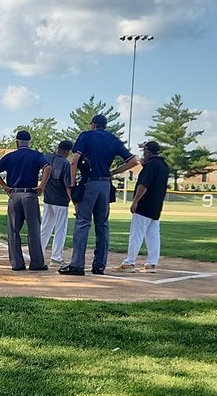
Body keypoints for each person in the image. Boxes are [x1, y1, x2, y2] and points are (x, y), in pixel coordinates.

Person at [58, 114, 139, 276]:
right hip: (105, 185)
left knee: (83, 222)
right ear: (105, 125)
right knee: (102, 225)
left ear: (93, 124)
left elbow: (74, 161)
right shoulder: (113, 139)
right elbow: (133, 161)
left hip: (90, 183)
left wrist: (72, 183)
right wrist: (113, 172)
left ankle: (77, 264)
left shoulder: (86, 136)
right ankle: (99, 265)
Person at [0, 130, 52, 271]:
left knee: (13, 230)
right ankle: (36, 263)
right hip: (30, 194)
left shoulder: (10, 156)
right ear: (29, 142)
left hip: (14, 194)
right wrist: (42, 185)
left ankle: (17, 263)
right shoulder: (36, 155)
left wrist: (5, 186)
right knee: (34, 230)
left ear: (17, 142)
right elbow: (47, 167)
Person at [112, 141, 169, 273]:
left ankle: (129, 262)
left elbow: (143, 185)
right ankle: (151, 264)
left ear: (149, 152)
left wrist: (135, 201)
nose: (144, 153)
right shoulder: (163, 165)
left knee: (136, 234)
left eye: (145, 151)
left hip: (145, 204)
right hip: (156, 205)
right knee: (153, 235)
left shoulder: (151, 165)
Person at [40, 139, 73, 264]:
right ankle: (56, 257)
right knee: (60, 229)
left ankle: (38, 253)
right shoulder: (66, 164)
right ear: (68, 151)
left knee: (45, 228)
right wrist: (73, 200)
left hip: (48, 198)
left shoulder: (47, 158)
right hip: (61, 200)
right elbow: (68, 185)